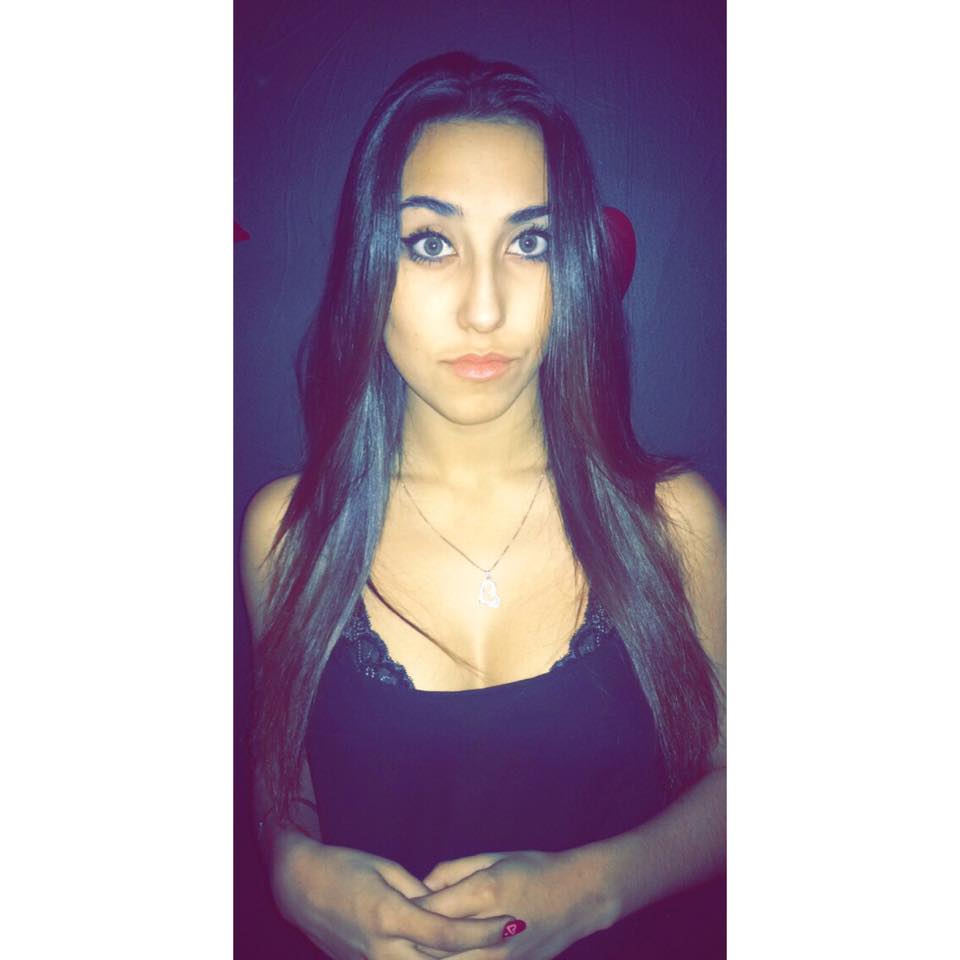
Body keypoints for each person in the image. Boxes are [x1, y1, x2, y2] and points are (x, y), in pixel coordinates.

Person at [241, 51, 725, 959]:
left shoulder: (674, 522)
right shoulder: (289, 533)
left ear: (573, 267)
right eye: (431, 243)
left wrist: (597, 889)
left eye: (528, 243)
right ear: (368, 266)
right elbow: (282, 786)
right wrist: (292, 868)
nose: (484, 308)